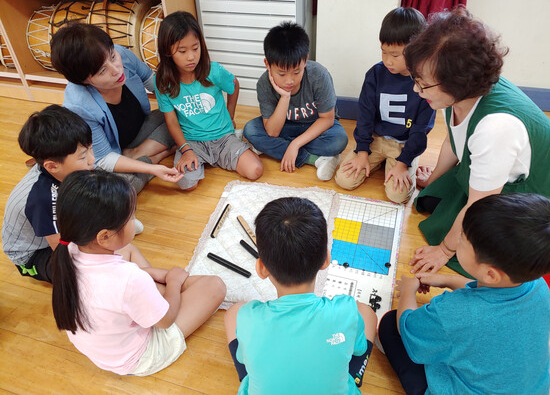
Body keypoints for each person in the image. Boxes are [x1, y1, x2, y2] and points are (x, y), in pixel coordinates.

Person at [405, 7, 550, 275]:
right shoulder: (458, 92)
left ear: (457, 82)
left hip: (527, 200)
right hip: (486, 177)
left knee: (476, 256)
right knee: (430, 200)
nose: (416, 89)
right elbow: (453, 139)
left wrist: (445, 250)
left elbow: (479, 206)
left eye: (422, 84)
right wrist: (435, 179)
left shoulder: (495, 129)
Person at [51, 169, 226, 375]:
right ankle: (159, 291)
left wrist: (155, 277)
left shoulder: (69, 249)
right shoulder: (129, 279)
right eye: (131, 216)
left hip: (105, 348)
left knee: (126, 250)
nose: (135, 220)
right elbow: (166, 321)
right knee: (215, 285)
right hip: (139, 357)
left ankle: (154, 292)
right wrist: (174, 283)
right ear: (104, 236)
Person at [378, 193, 550, 395]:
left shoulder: (454, 312)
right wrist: (447, 280)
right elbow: (490, 295)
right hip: (532, 388)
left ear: (490, 273)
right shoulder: (538, 286)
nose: (457, 238)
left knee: (391, 324)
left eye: (463, 240)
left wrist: (408, 291)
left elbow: (408, 331)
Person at [224, 197, 377, 394]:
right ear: (326, 259)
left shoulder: (248, 317)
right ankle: (355, 376)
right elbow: (358, 348)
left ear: (261, 268)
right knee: (366, 312)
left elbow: (243, 357)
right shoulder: (345, 310)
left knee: (232, 313)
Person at [50, 23, 182, 196]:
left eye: (112, 57)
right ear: (84, 81)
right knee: (121, 191)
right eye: (102, 71)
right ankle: (152, 157)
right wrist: (154, 168)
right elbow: (103, 159)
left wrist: (185, 106)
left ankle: (136, 154)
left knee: (179, 116)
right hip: (109, 155)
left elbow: (152, 81)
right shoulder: (79, 106)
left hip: (140, 129)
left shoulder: (121, 54)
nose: (116, 69)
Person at [335, 7, 435, 203]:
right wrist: (363, 151)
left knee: (398, 196)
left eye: (395, 55)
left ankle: (402, 161)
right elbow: (365, 114)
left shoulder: (425, 82)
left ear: (417, 50)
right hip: (375, 139)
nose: (387, 60)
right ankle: (380, 161)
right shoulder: (375, 74)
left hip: (404, 145)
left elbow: (420, 129)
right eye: (383, 51)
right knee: (344, 180)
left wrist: (404, 162)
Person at [154, 11, 263, 191]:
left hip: (223, 138)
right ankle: (183, 151)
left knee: (255, 170)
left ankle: (226, 152)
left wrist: (230, 114)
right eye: (182, 51)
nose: (191, 57)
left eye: (195, 48)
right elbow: (171, 121)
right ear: (167, 51)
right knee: (187, 184)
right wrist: (187, 150)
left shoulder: (213, 71)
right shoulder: (163, 83)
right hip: (192, 143)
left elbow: (234, 85)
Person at [243, 22, 348, 181]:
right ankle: (315, 159)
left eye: (296, 72)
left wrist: (295, 144)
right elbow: (272, 131)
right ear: (267, 65)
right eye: (282, 74)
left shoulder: (318, 75)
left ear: (305, 60)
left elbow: (327, 118)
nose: (290, 81)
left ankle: (278, 148)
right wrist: (285, 97)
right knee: (250, 130)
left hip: (316, 125)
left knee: (339, 140)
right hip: (285, 126)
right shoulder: (264, 84)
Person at [1, 105, 94, 283]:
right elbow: (62, 250)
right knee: (85, 277)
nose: (92, 160)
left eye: (90, 148)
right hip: (35, 254)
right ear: (51, 166)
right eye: (83, 156)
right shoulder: (42, 198)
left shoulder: (60, 170)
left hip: (55, 226)